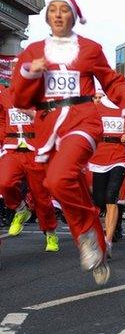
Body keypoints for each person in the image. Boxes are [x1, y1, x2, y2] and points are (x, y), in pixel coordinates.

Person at [10, 0, 125, 285]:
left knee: (58, 179)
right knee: (65, 183)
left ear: (73, 16)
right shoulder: (33, 52)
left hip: (82, 120)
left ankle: (85, 235)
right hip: (47, 127)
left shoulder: (90, 49)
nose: (58, 14)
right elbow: (18, 98)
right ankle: (95, 238)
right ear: (47, 17)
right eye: (53, 9)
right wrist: (31, 72)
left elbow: (112, 80)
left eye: (64, 10)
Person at [0, 86, 59, 251]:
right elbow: (1, 118)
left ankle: (50, 233)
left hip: (35, 150)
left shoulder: (41, 94)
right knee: (4, 182)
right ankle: (20, 209)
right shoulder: (5, 95)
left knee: (42, 198)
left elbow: (51, 120)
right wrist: (3, 137)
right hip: (12, 149)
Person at [88, 87, 125, 255]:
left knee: (112, 196)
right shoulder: (96, 108)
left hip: (120, 155)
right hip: (100, 155)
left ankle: (108, 241)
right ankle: (100, 231)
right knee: (98, 199)